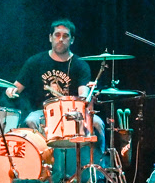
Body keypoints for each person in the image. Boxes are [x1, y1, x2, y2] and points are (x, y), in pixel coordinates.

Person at [6, 19, 106, 162]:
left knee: (97, 123)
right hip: (44, 113)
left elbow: (83, 94)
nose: (61, 39)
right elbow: (16, 87)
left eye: (65, 36)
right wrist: (11, 90)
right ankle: (43, 165)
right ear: (50, 37)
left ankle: (98, 165)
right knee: (30, 120)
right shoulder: (35, 61)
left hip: (73, 113)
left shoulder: (80, 65)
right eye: (57, 35)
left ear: (72, 40)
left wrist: (87, 96)